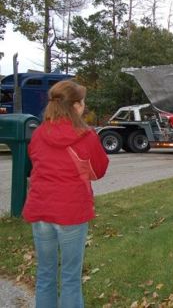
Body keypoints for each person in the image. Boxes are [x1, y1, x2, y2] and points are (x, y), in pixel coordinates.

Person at [22, 81, 109, 307]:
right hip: (71, 211)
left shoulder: (39, 133)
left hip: (40, 210)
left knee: (45, 274)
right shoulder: (86, 136)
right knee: (70, 277)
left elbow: (35, 163)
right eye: (83, 101)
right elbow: (99, 170)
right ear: (77, 106)